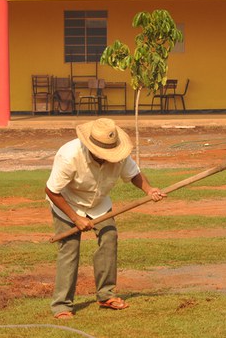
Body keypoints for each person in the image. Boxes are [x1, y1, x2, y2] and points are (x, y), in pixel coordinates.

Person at [45, 117, 166, 319]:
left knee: (109, 237)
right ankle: (62, 305)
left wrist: (149, 189)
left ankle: (106, 294)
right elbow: (51, 190)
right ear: (91, 148)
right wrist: (75, 218)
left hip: (99, 204)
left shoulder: (119, 154)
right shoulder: (69, 155)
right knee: (70, 249)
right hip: (68, 203)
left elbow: (134, 174)